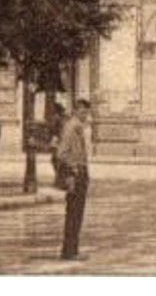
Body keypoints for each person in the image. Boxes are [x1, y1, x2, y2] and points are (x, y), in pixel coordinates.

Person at [56, 99, 92, 260]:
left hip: (81, 174)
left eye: (87, 112)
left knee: (77, 214)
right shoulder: (71, 128)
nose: (85, 116)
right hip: (75, 176)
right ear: (76, 111)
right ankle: (69, 251)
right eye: (83, 112)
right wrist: (74, 168)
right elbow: (61, 153)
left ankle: (73, 250)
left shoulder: (78, 128)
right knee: (73, 214)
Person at [48, 101, 68, 189]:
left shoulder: (56, 117)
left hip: (59, 142)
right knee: (63, 162)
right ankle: (63, 181)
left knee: (55, 161)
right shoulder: (67, 117)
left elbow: (52, 129)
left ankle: (60, 182)